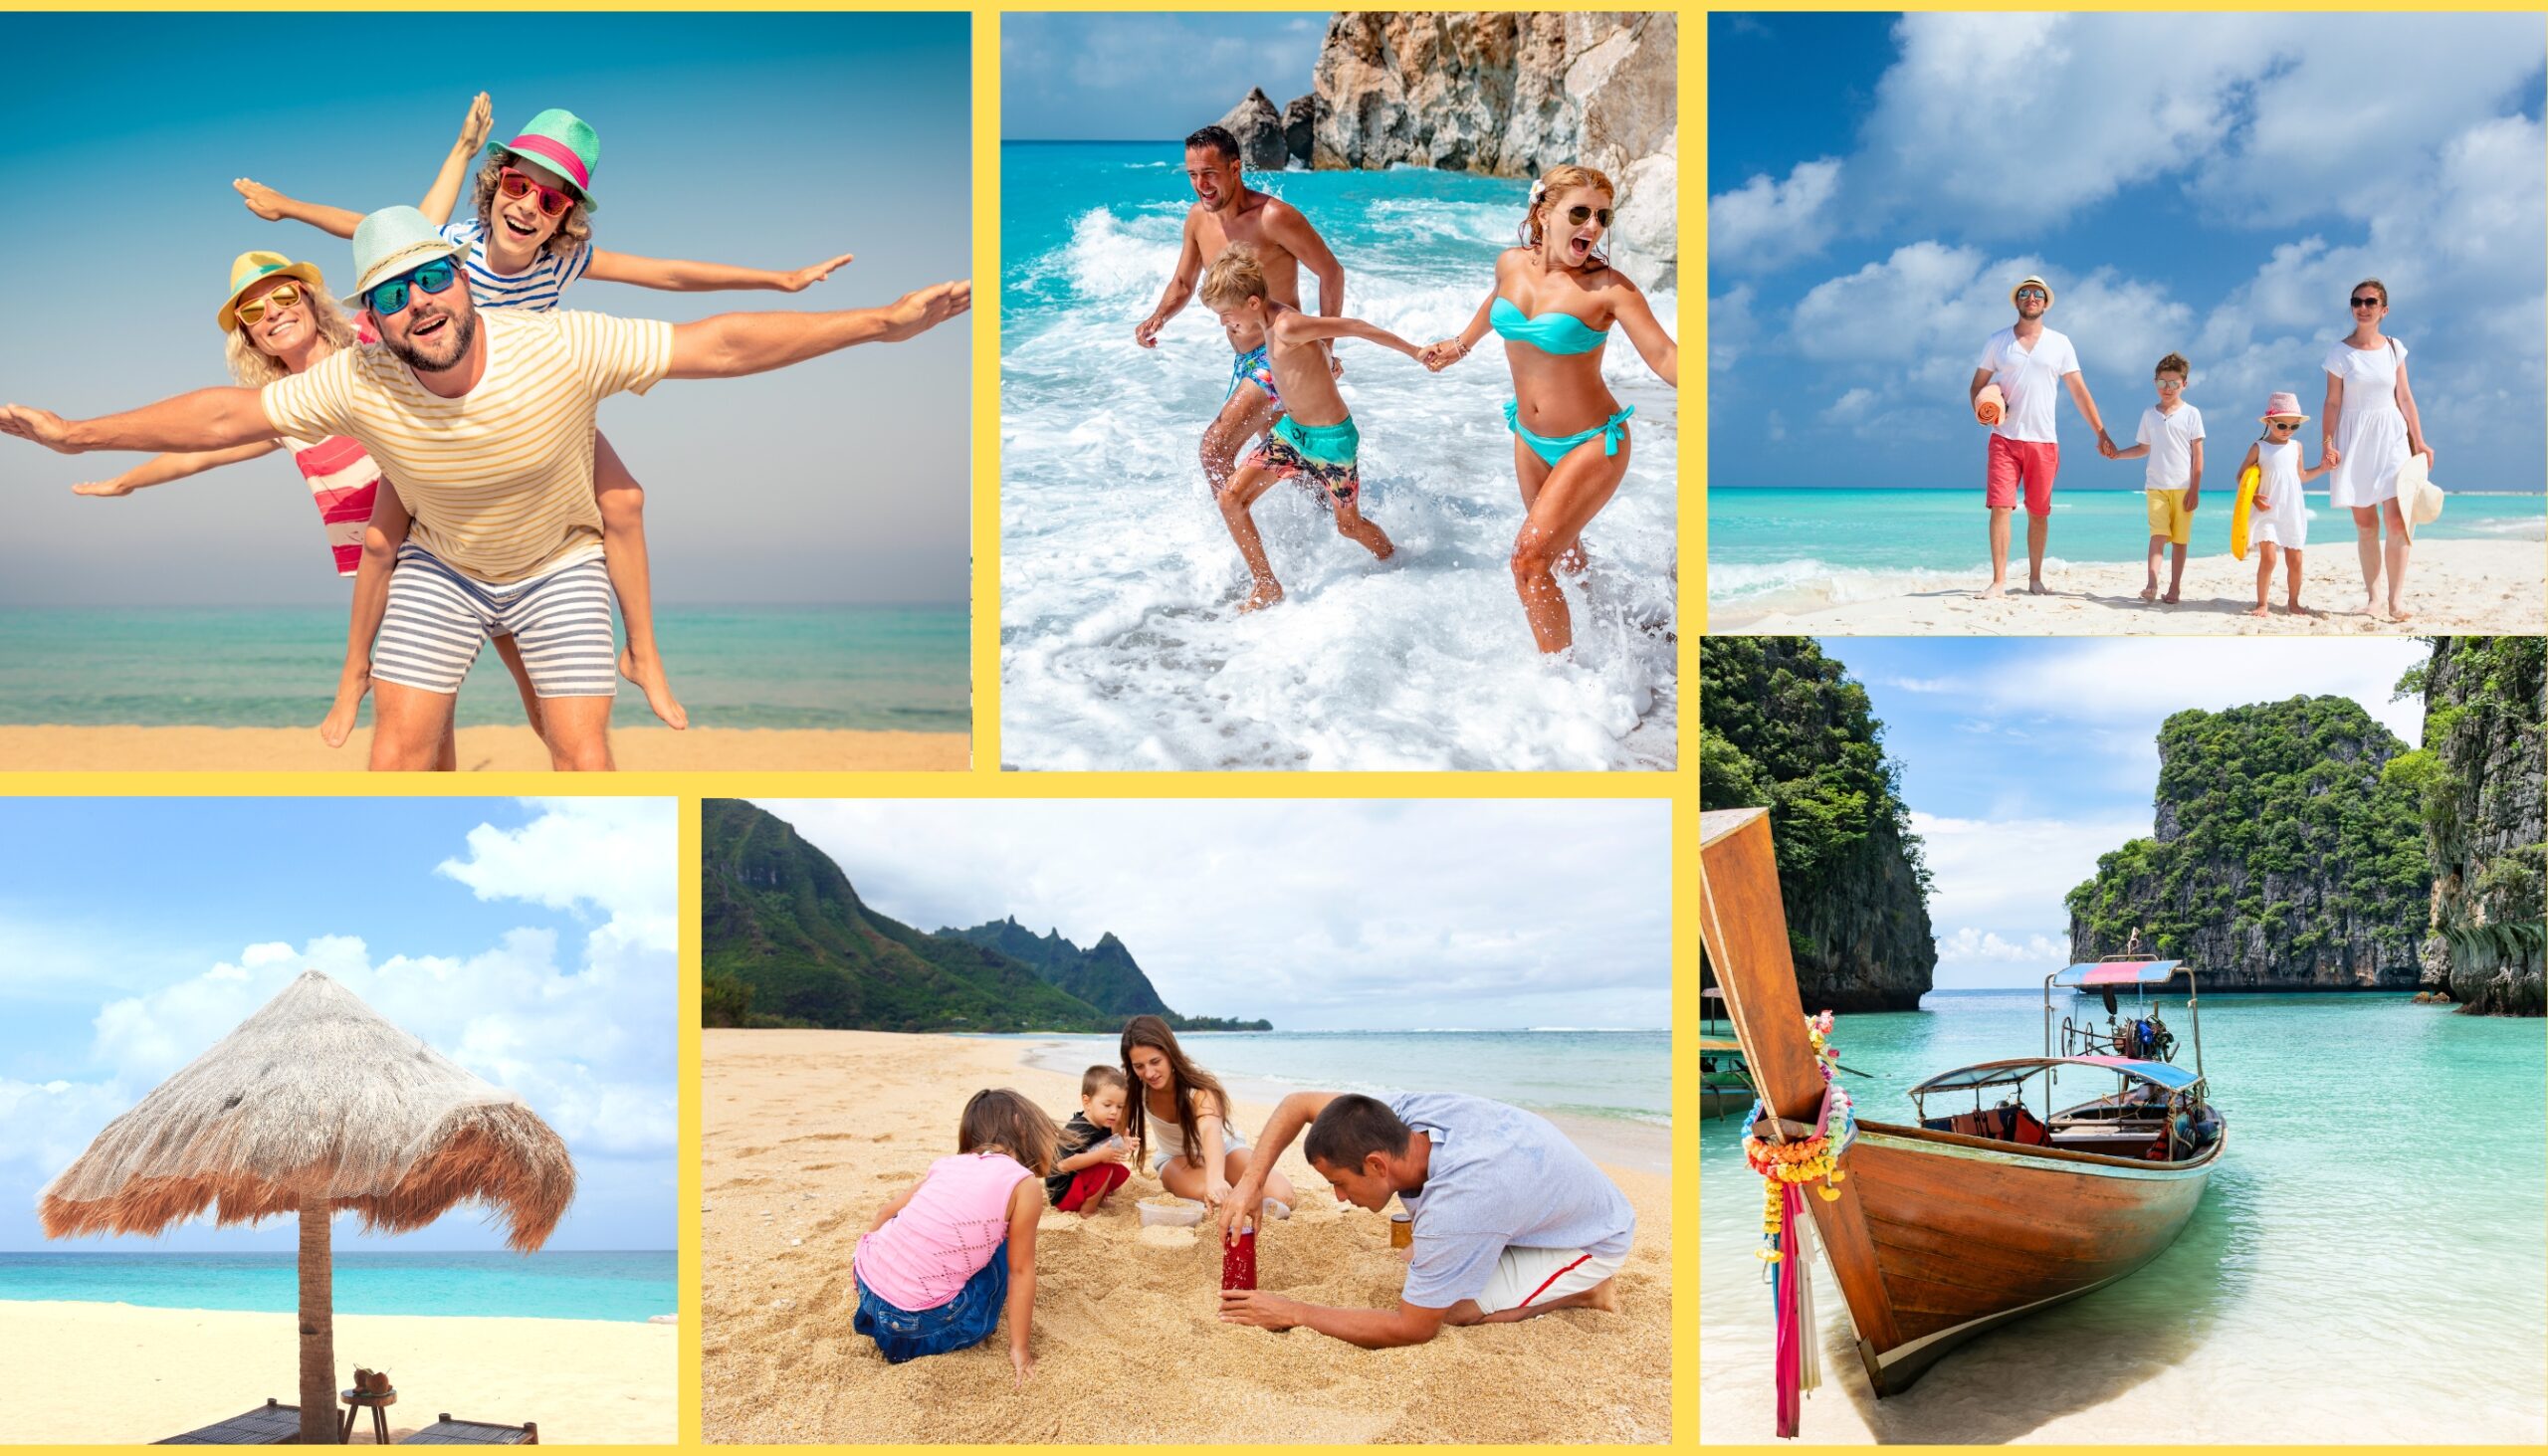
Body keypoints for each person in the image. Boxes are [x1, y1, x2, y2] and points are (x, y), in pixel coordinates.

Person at [0, 204, 968, 771]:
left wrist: (877, 324)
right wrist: (77, 436)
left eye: (431, 279)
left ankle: (639, 659)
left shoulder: (559, 339)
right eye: (391, 294)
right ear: (369, 319)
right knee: (399, 752)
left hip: (560, 563)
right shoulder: (358, 377)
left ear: (462, 275)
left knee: (582, 750)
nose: (419, 302)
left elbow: (713, 343)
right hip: (442, 566)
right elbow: (220, 421)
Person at [237, 97, 858, 733]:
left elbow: (669, 274)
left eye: (553, 199)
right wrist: (287, 206)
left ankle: (643, 652)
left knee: (625, 503)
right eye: (517, 184)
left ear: (565, 218)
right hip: (434, 414)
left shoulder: (565, 261)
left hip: (534, 410)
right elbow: (370, 227)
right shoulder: (450, 248)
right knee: (378, 540)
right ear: (495, 184)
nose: (530, 205)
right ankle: (353, 676)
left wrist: (778, 280)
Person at [66, 250, 535, 766]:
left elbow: (400, 252)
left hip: (464, 541)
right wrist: (126, 481)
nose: (272, 313)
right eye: (252, 312)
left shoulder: (369, 343)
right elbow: (202, 449)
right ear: (247, 335)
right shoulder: (280, 407)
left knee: (538, 697)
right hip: (395, 576)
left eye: (285, 295)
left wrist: (452, 165)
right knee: (424, 731)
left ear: (311, 301)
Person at [1422, 165, 1678, 654]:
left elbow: (1666, 356)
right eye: (1580, 212)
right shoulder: (1511, 264)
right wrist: (1461, 344)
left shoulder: (1609, 289)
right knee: (1562, 557)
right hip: (1529, 439)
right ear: (1543, 212)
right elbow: (1499, 298)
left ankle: (1564, 687)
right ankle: (1607, 625)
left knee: (1528, 561)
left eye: (1603, 216)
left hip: (1593, 444)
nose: (1593, 226)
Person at [1215, 1091, 1633, 1348]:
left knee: (1454, 1310)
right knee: (1415, 1264)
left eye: (1339, 1183)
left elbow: (1412, 1329)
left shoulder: (1462, 1202)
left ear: (1376, 1164)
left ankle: (1588, 1291)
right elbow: (1299, 1103)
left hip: (1589, 1237)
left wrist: (1292, 1312)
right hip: (1528, 1200)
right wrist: (1251, 1182)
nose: (1338, 1197)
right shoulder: (1396, 1115)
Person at [1198, 243, 1415, 610]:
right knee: (1230, 499)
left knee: (1348, 527)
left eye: (1226, 314)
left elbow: (1357, 327)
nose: (1224, 323)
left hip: (1331, 442)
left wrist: (1416, 352)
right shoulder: (1264, 322)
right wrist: (1326, 358)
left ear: (1253, 303)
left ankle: (1398, 562)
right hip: (1292, 436)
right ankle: (1266, 584)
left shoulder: (1288, 324)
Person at [1134, 124, 1347, 498]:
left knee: (1214, 450)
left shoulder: (1273, 217)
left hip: (1282, 352)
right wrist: (1158, 317)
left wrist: (1325, 349)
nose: (1201, 184)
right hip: (1246, 360)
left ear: (1235, 168)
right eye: (1193, 175)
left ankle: (1235, 538)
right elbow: (1183, 283)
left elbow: (1331, 272)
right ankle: (1336, 537)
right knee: (1299, 470)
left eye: (1210, 173)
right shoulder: (1198, 219)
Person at [852, 1089, 1053, 1384]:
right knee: (1005, 1245)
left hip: (869, 1296)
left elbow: (885, 1213)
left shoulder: (946, 1165)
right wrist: (1020, 1349)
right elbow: (1020, 1271)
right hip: (919, 1328)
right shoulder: (1023, 1184)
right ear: (1022, 1126)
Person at [1971, 275, 2113, 598]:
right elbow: (1977, 385)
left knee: (2039, 512)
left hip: (2044, 441)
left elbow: (2079, 391)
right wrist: (1983, 412)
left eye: (2037, 293)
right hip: (2004, 438)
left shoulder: (2060, 343)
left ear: (2045, 302)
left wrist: (2101, 432)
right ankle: (1999, 582)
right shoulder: (1997, 341)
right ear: (2017, 301)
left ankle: (2035, 579)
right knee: (2001, 508)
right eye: (2025, 293)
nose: (2031, 297)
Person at [2320, 279, 2433, 621]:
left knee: (2398, 522)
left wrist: (2420, 441)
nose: (2363, 307)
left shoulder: (2395, 348)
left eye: (2370, 302)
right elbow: (2332, 401)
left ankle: (2396, 601)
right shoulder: (2340, 353)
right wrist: (2327, 442)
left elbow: (2405, 398)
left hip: (2392, 437)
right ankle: (2374, 599)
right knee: (2366, 525)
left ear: (2384, 310)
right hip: (2354, 438)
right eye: (2357, 301)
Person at [1118, 1015, 1295, 1218]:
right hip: (1176, 1158)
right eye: (1139, 1066)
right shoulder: (1133, 1090)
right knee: (1214, 1199)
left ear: (1170, 1053)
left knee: (1282, 1195)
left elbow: (1210, 1129)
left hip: (1224, 1149)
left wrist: (1216, 1178)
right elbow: (1114, 1133)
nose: (1149, 1073)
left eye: (1155, 1061)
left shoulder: (1199, 1090)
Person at [2107, 352, 2205, 604]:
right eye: (2163, 383)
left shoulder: (2192, 414)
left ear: (2184, 384)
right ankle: (2151, 582)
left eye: (2174, 383)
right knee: (2158, 536)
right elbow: (2143, 448)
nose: (2168, 388)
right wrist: (2118, 455)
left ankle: (2174, 588)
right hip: (2156, 487)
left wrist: (2195, 489)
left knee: (2180, 541)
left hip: (2183, 488)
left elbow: (2198, 456)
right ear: (2155, 383)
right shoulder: (2149, 414)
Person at [2237, 392, 2337, 618]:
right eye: (2282, 425)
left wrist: (2322, 468)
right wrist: (2253, 498)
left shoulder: (2296, 447)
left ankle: (2293, 602)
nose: (2287, 431)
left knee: (2296, 560)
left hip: (2291, 510)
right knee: (2269, 557)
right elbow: (2241, 478)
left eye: (2294, 427)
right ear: (2270, 422)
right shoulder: (2259, 448)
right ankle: (2262, 603)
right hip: (2266, 511)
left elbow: (2300, 475)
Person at [1043, 1065, 1135, 1213]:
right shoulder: (1079, 1129)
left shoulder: (1102, 1124)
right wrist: (1100, 1156)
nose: (1114, 1111)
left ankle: (1098, 1199)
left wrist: (1123, 1144)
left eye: (1119, 1107)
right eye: (1107, 1105)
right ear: (1087, 1102)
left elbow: (1101, 1149)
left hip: (1076, 1183)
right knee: (1103, 1166)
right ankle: (1087, 1210)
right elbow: (1063, 1165)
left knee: (1116, 1169)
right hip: (1063, 1194)